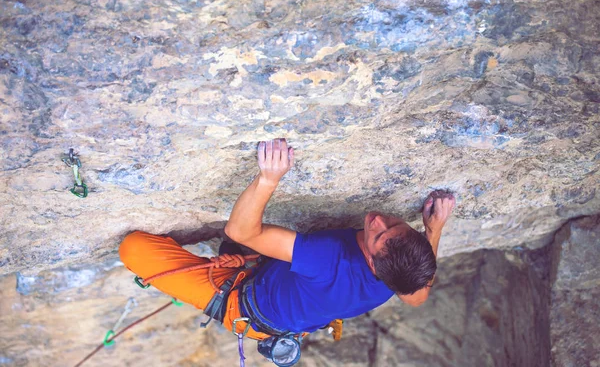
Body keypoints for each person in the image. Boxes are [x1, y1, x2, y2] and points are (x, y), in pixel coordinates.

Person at [119, 138, 455, 362]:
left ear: (372, 262)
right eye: (396, 225)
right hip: (281, 287)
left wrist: (268, 179)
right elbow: (418, 296)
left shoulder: (328, 259)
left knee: (134, 248)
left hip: (241, 304)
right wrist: (433, 231)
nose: (377, 219)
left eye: (377, 236)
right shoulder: (401, 277)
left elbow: (240, 231)